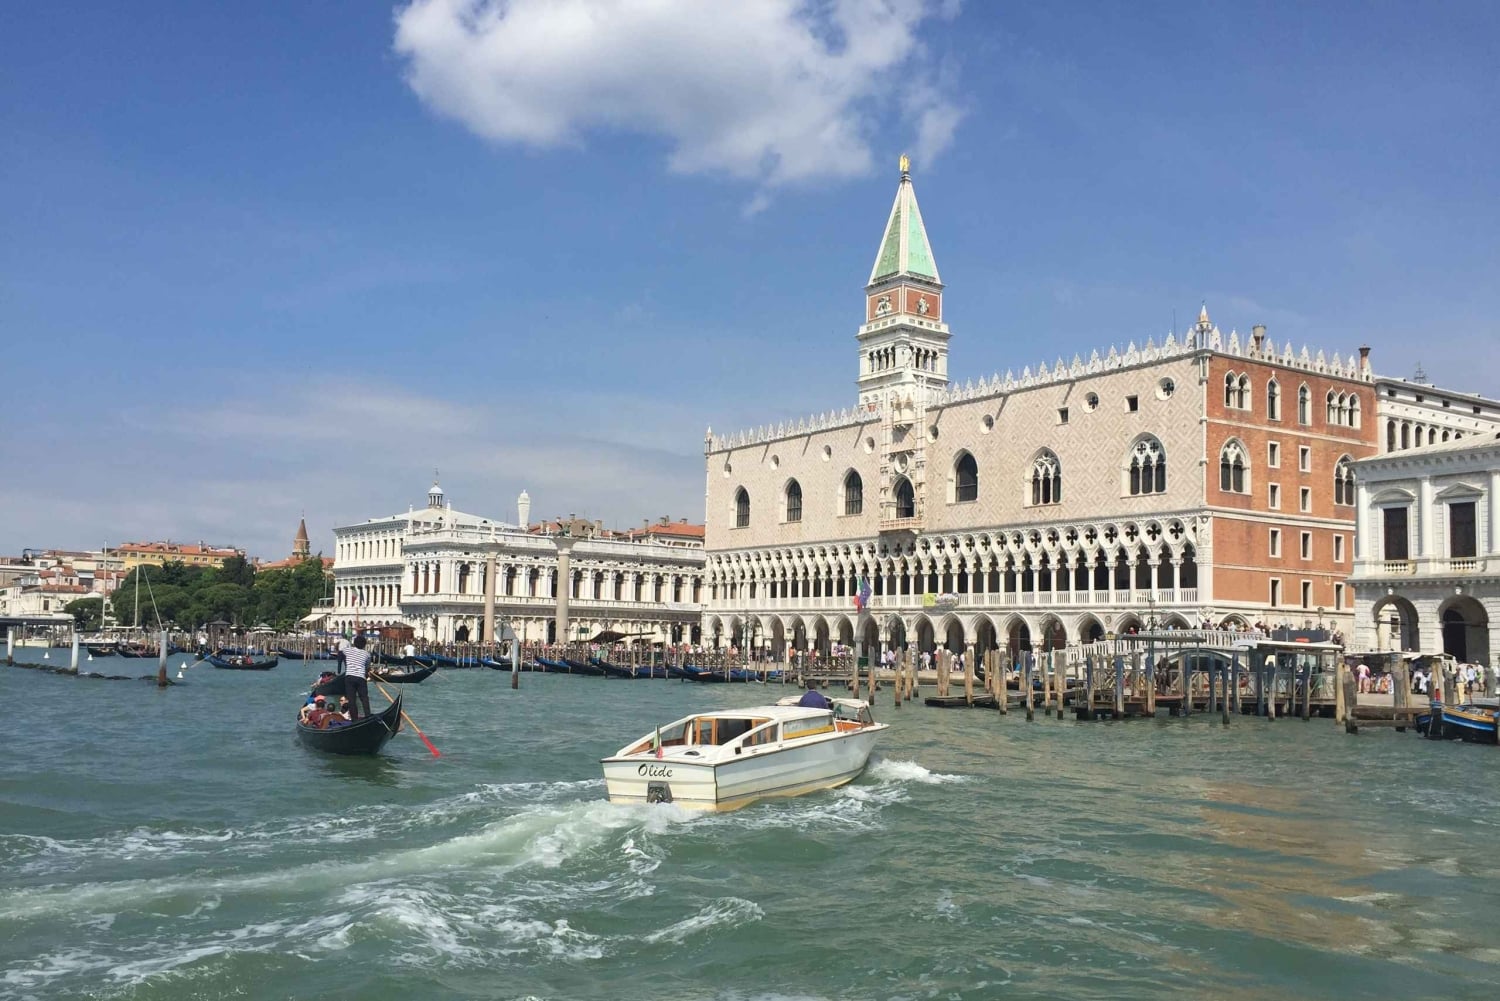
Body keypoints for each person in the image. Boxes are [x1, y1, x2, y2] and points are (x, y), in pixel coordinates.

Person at [341, 635, 373, 720]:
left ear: (354, 643)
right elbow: (367, 667)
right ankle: (368, 716)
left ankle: (354, 720)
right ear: (364, 645)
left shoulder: (347, 650)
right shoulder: (367, 654)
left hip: (349, 677)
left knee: (351, 700)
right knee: (364, 698)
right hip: (361, 677)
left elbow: (341, 650)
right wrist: (367, 673)